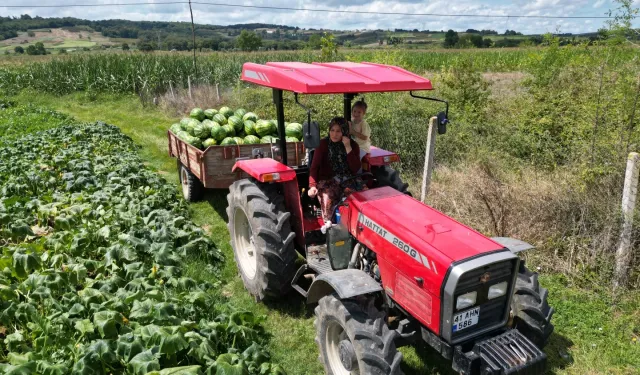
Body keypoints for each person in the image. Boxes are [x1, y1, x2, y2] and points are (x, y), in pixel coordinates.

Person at [308, 117, 366, 232]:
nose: (334, 134)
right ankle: (330, 228)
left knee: (361, 197)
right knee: (327, 197)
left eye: (338, 131)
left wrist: (348, 147)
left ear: (344, 132)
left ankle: (360, 226)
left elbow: (355, 168)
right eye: (332, 130)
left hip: (349, 178)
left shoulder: (353, 145)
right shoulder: (323, 144)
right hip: (328, 180)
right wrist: (312, 186)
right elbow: (314, 167)